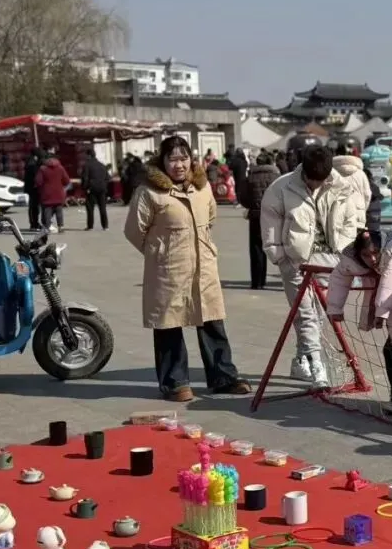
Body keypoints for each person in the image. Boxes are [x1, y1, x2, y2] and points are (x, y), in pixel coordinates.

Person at [124, 136, 251, 402]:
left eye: (183, 158)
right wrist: (160, 251)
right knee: (169, 324)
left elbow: (211, 217)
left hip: (203, 266)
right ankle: (175, 382)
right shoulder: (149, 192)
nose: (179, 165)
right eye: (172, 159)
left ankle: (223, 377)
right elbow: (134, 231)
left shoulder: (202, 187)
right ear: (163, 161)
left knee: (212, 321)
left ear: (191, 160)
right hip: (168, 269)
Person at [260, 144, 360, 388]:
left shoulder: (341, 185)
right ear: (303, 170)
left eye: (320, 180)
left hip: (330, 260)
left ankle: (300, 360)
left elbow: (351, 221)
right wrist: (280, 258)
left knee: (319, 315)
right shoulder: (281, 188)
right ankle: (317, 367)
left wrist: (343, 252)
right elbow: (270, 226)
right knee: (305, 315)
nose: (315, 185)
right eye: (311, 180)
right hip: (296, 261)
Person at [326, 230, 392, 413]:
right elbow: (339, 278)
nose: (372, 259)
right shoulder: (351, 259)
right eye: (366, 255)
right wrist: (334, 308)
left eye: (375, 252)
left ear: (382, 249)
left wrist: (381, 313)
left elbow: (390, 282)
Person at [238, 150, 280, 289]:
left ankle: (257, 281)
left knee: (256, 248)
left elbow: (242, 196)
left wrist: (251, 206)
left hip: (255, 215)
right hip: (273, 215)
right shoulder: (277, 177)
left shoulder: (250, 177)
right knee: (274, 246)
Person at [332, 141, 378, 245]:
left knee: (339, 243)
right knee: (357, 245)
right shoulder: (360, 174)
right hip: (358, 211)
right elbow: (367, 194)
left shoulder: (331, 173)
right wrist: (362, 208)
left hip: (337, 211)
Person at [35, 151, 70, 233]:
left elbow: (38, 181)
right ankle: (61, 227)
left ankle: (47, 227)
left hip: (47, 193)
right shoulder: (60, 168)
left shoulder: (43, 169)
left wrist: (41, 188)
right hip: (59, 193)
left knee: (47, 210)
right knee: (59, 210)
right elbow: (67, 181)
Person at [80, 148, 110, 231]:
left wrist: (85, 188)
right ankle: (105, 226)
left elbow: (85, 178)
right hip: (102, 189)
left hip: (91, 189)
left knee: (90, 208)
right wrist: (104, 185)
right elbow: (108, 177)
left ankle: (90, 226)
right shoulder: (102, 165)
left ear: (89, 155)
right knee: (102, 207)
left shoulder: (87, 165)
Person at [23, 147, 44, 230]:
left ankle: (34, 223)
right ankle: (34, 223)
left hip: (32, 187)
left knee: (34, 206)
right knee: (33, 206)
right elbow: (34, 176)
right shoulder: (32, 163)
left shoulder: (31, 162)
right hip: (32, 188)